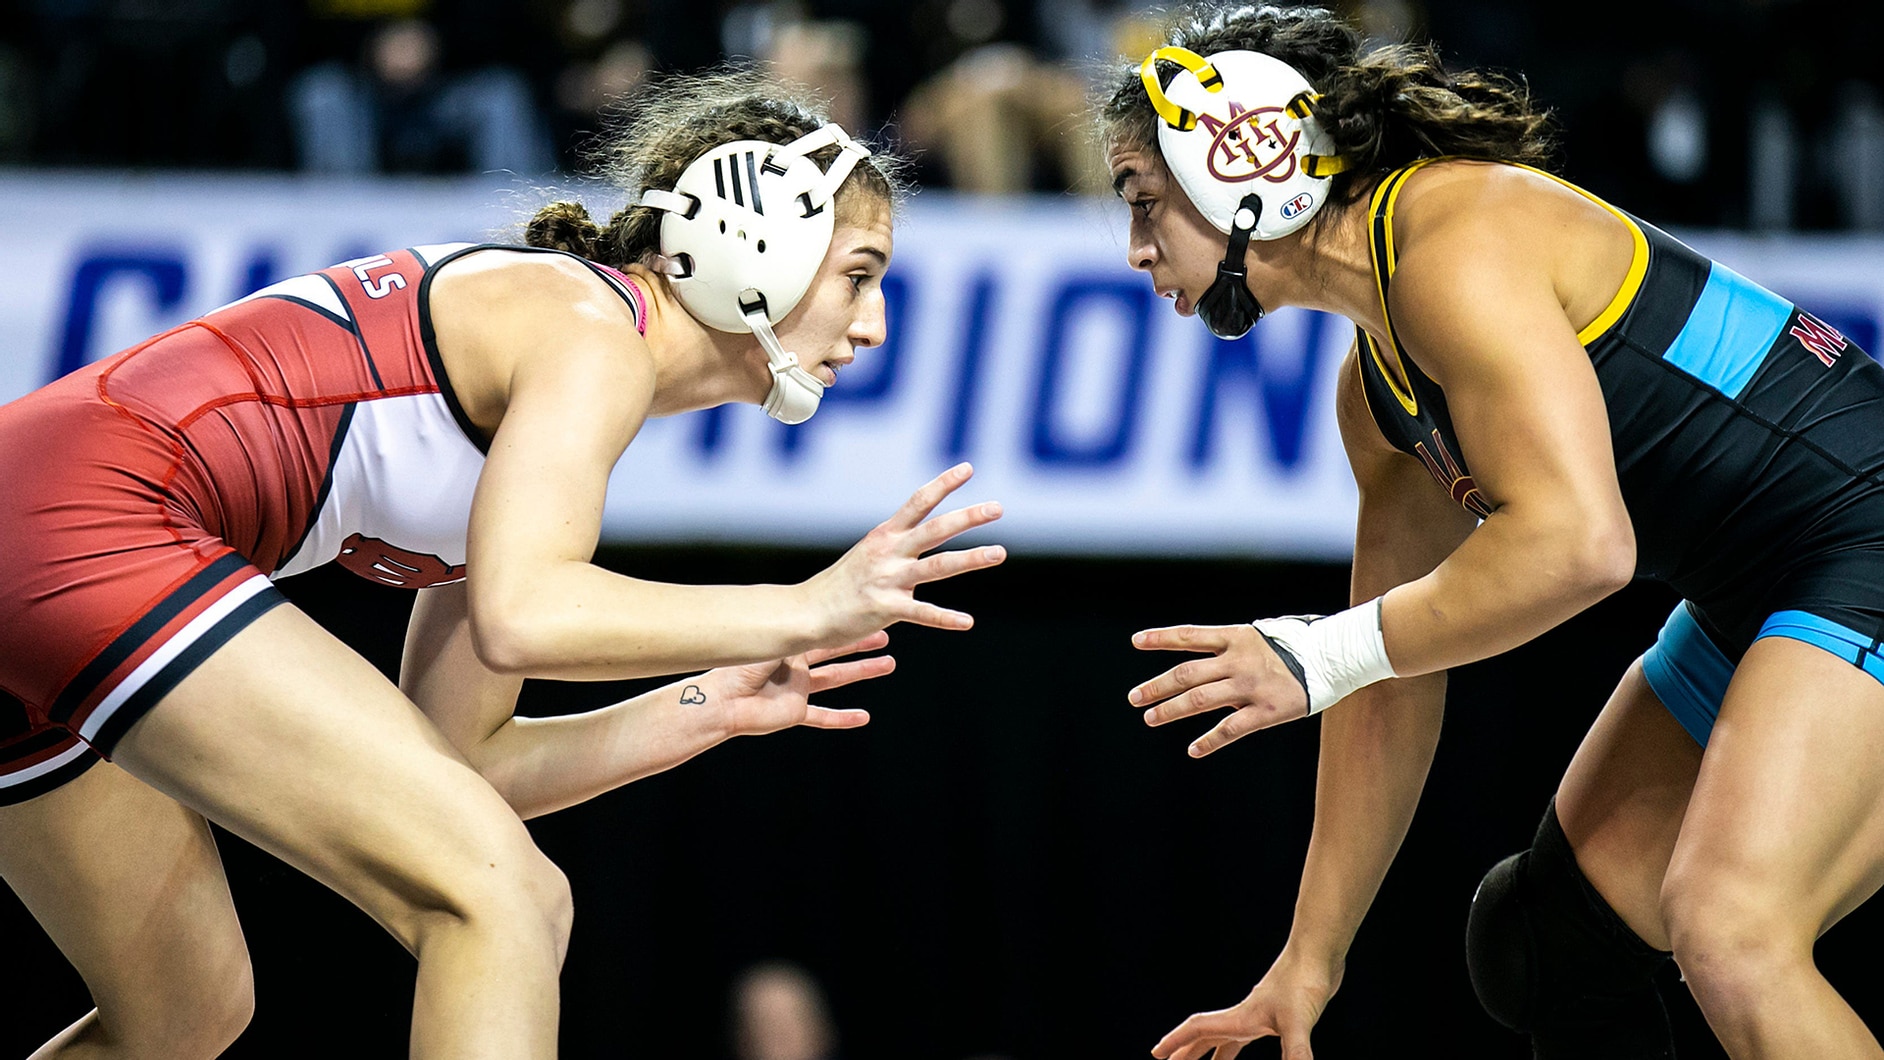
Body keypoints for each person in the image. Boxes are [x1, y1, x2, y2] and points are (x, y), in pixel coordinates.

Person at [0, 70, 1007, 1059]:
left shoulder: (563, 377)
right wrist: (804, 606)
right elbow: (528, 615)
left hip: (43, 529)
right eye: (861, 274)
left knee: (181, 1017)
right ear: (759, 241)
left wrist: (702, 706)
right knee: (502, 897)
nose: (872, 327)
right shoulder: (590, 334)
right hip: (80, 518)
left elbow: (464, 760)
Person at [1103, 5, 1884, 1059]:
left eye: (1145, 201)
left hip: (1858, 539)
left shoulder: (1454, 238)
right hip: (1776, 576)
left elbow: (1578, 547)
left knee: (1734, 930)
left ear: (1239, 162)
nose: (1137, 247)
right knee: (1547, 946)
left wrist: (1316, 652)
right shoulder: (1377, 390)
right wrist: (1308, 963)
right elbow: (1389, 681)